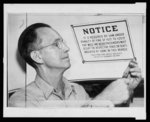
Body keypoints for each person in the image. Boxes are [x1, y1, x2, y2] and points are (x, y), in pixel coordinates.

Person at [8, 23, 143, 107]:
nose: (66, 48)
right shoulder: (22, 101)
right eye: (56, 44)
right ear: (37, 56)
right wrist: (102, 100)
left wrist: (127, 87)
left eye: (63, 42)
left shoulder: (78, 90)